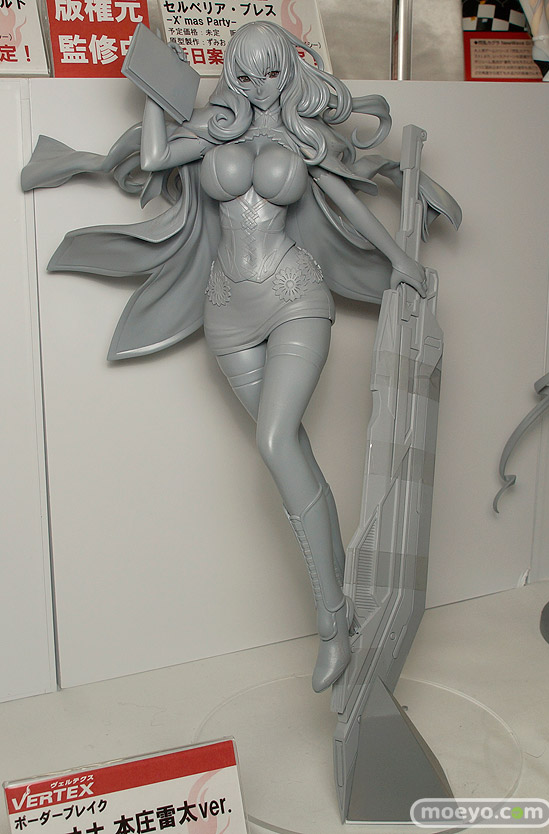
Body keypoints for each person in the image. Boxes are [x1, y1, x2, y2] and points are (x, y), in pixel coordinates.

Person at [22, 21, 460, 692]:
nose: (259, 86)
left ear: (289, 70)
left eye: (272, 72)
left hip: (294, 296)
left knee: (277, 438)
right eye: (246, 74)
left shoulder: (305, 139)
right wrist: (156, 89)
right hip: (226, 311)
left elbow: (346, 201)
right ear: (232, 73)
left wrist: (399, 260)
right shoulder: (213, 131)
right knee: (289, 454)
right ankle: (342, 610)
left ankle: (329, 623)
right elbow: (154, 156)